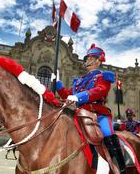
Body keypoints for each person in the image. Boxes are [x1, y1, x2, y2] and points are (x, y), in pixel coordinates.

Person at [54, 44, 126, 173]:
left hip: (97, 114)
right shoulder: (80, 81)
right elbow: (68, 95)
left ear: (98, 60)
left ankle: (119, 168)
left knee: (107, 133)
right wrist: (58, 84)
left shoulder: (103, 77)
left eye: (90, 58)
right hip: (79, 113)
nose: (86, 60)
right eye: (86, 58)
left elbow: (99, 90)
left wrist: (79, 97)